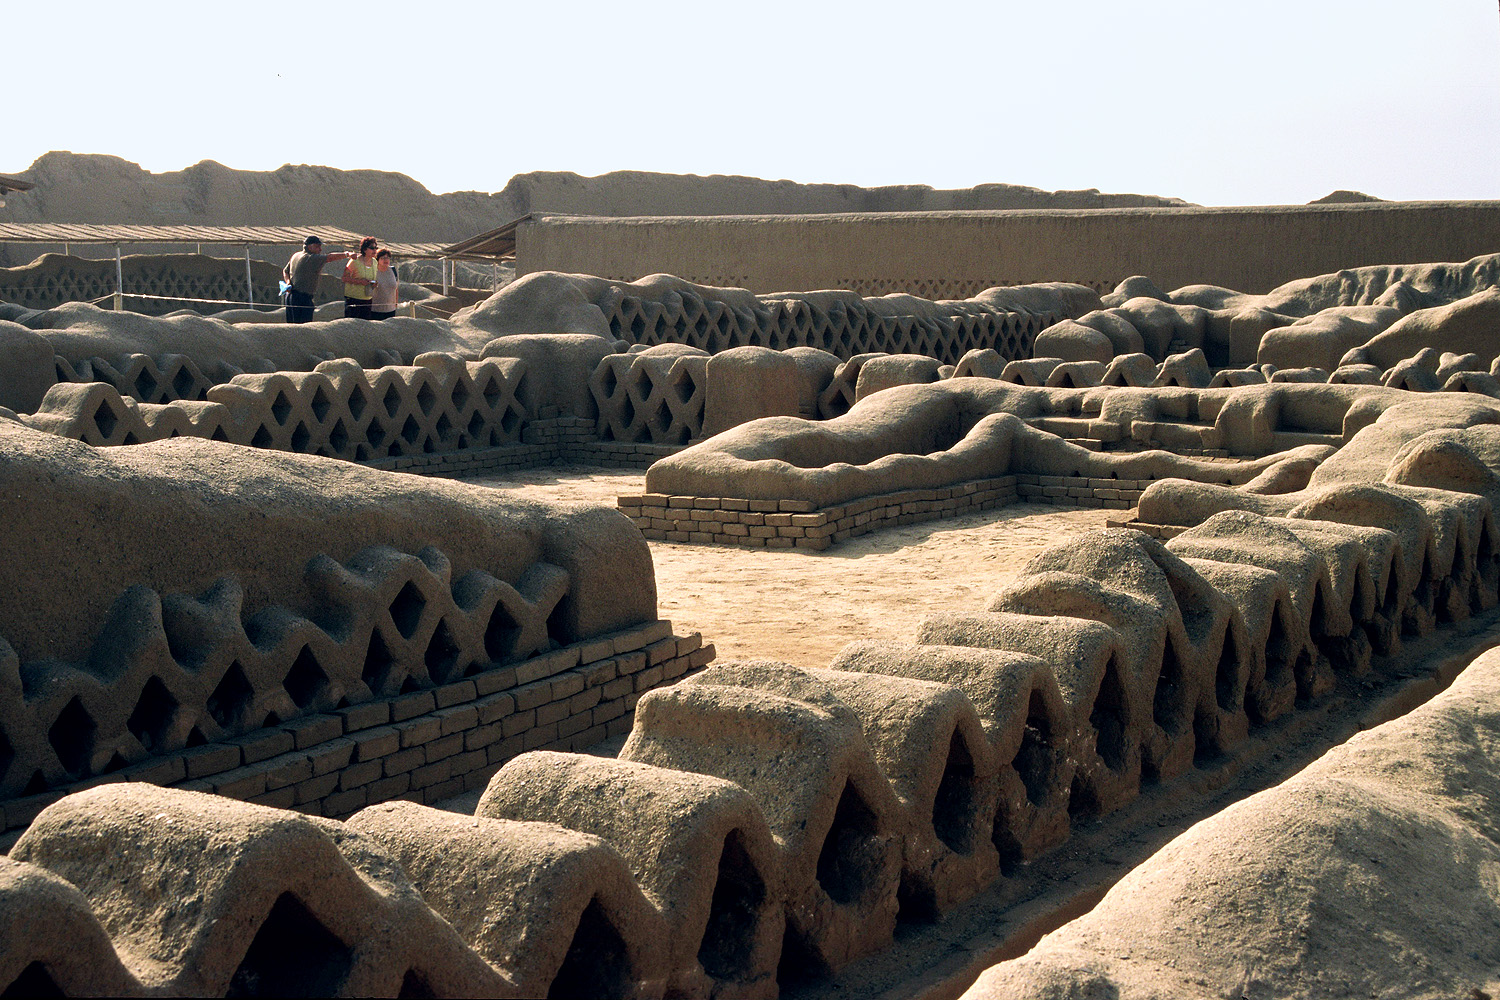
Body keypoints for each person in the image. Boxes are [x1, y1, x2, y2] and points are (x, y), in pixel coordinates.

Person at [281, 235, 354, 323]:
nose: (320, 249)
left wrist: (288, 282)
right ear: (310, 246)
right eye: (317, 246)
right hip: (302, 298)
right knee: (303, 328)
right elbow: (330, 257)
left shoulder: (296, 255)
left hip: (291, 296)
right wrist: (347, 254)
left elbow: (285, 271)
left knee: (292, 326)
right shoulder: (310, 258)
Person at [342, 237, 380, 319]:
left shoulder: (375, 262)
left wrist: (374, 283)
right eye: (372, 248)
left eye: (376, 248)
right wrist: (359, 281)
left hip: (368, 299)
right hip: (353, 299)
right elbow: (344, 278)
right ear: (365, 249)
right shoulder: (354, 261)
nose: (375, 250)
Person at [370, 248, 399, 320]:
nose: (386, 260)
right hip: (376, 311)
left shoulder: (393, 270)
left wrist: (396, 304)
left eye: (387, 258)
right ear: (377, 259)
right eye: (383, 258)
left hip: (391, 310)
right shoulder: (373, 271)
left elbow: (395, 288)